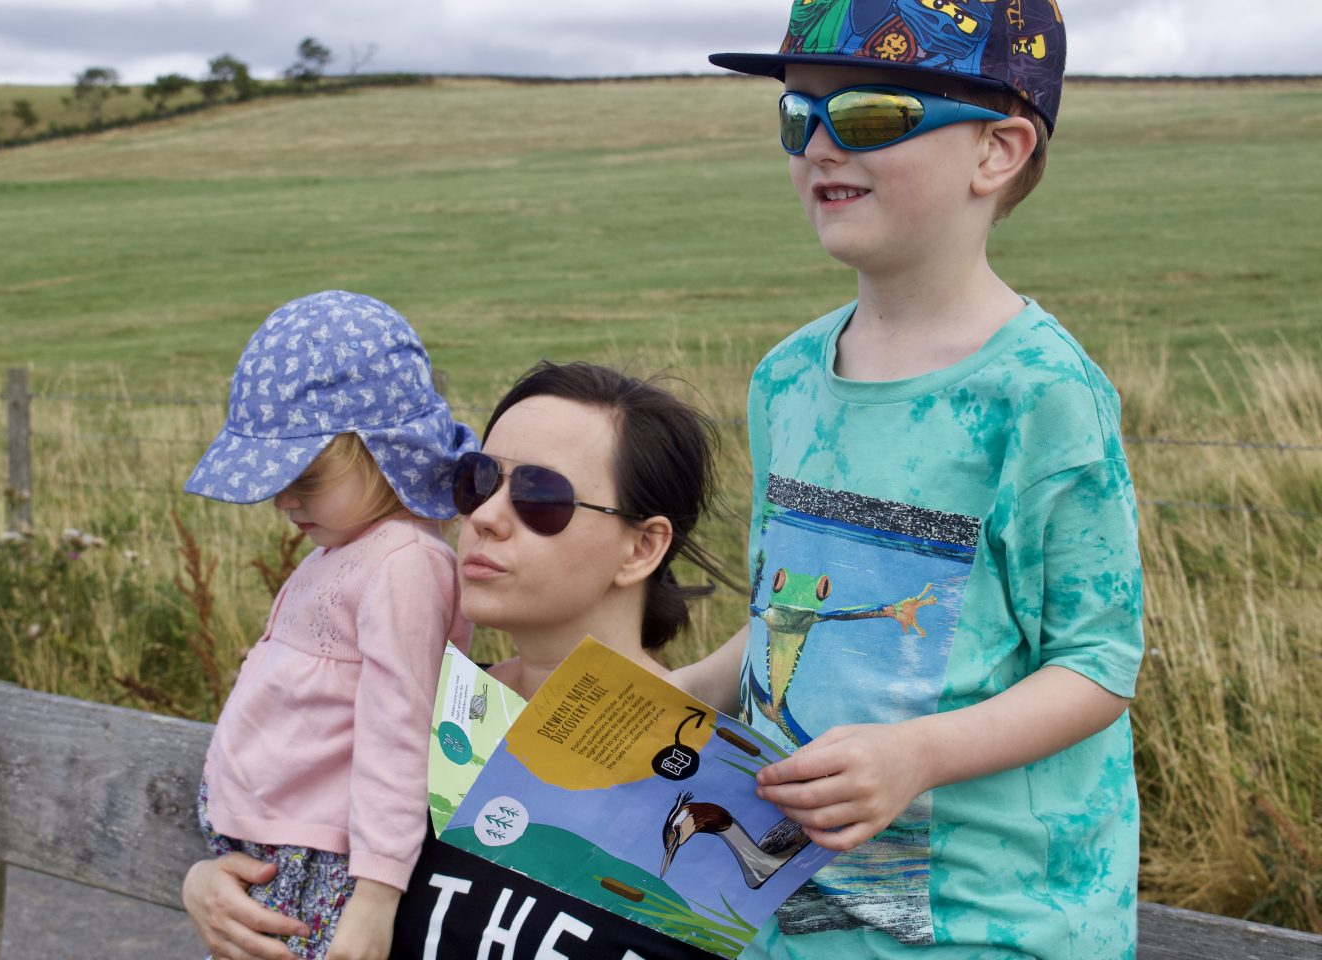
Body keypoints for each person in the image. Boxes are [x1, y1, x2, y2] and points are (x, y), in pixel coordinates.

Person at [674, 2, 1146, 957]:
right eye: (798, 115)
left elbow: (1098, 664)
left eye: (870, 116)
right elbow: (785, 613)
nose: (820, 146)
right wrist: (675, 690)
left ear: (997, 151)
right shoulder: (784, 381)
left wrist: (917, 755)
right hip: (790, 912)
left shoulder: (1042, 393)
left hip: (993, 926)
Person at [184, 361, 736, 960]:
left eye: (539, 496)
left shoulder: (716, 789)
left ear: (642, 546)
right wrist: (216, 886)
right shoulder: (433, 718)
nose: (487, 518)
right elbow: (297, 835)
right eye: (478, 481)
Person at [182, 290, 477, 960]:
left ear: (385, 451)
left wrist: (376, 895)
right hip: (277, 852)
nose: (284, 500)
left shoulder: (404, 564)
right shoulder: (351, 548)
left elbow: (398, 733)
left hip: (328, 863)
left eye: (307, 475)